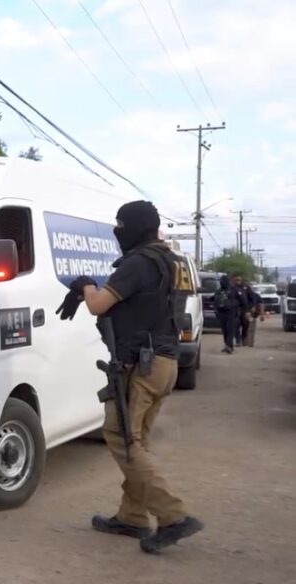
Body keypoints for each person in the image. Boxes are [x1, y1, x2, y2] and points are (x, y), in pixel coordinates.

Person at [56, 200, 203, 554]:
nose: (117, 231)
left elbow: (98, 304)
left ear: (136, 226)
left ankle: (172, 516)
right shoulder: (171, 261)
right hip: (165, 362)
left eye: (121, 225)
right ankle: (132, 516)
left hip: (141, 365)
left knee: (122, 437)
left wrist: (86, 286)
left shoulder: (139, 262)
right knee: (137, 441)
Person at [214, 275, 240, 354]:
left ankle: (229, 346)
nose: (222, 283)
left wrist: (240, 309)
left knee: (230, 330)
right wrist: (216, 311)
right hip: (221, 313)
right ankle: (227, 345)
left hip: (231, 313)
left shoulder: (233, 290)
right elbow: (215, 302)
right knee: (224, 330)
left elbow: (241, 300)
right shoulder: (218, 291)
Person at [240, 281, 265, 348]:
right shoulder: (242, 295)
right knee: (246, 329)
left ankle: (249, 343)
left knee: (249, 328)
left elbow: (261, 304)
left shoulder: (256, 296)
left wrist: (262, 314)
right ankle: (246, 342)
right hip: (244, 315)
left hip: (251, 315)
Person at [231, 275, 251, 347]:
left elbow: (249, 299)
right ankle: (238, 340)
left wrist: (248, 310)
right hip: (235, 310)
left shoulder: (245, 288)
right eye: (236, 280)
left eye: (239, 280)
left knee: (245, 325)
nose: (238, 281)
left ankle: (244, 339)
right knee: (236, 325)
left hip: (244, 310)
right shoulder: (232, 289)